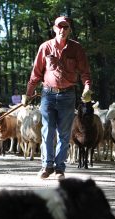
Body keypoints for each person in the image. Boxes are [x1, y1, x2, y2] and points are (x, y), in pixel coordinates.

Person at [24, 16, 93, 180]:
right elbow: (36, 74)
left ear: (69, 29)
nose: (62, 30)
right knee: (47, 131)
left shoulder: (76, 49)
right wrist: (28, 94)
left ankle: (60, 168)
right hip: (47, 94)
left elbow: (85, 72)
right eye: (60, 27)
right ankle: (47, 166)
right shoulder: (45, 47)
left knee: (64, 133)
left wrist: (87, 87)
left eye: (66, 27)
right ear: (54, 28)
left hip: (68, 95)